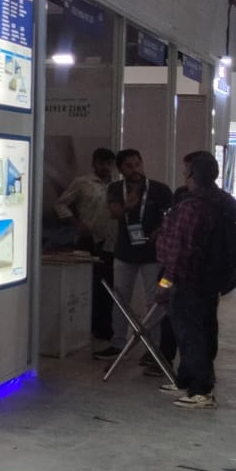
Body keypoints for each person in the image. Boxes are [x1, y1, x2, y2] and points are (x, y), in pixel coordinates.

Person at [153, 152, 236, 409]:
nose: (183, 173)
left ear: (192, 174)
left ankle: (201, 389)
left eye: (186, 169)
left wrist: (164, 284)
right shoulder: (224, 201)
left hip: (187, 280)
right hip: (210, 279)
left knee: (190, 334)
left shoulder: (191, 207)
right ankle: (187, 379)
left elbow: (180, 252)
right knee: (205, 329)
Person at [100, 149, 172, 361]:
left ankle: (153, 348)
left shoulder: (159, 189)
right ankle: (118, 343)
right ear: (120, 169)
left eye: (137, 164)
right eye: (129, 166)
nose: (135, 170)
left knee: (154, 301)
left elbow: (172, 216)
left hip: (153, 254)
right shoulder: (115, 188)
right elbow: (114, 212)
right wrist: (127, 207)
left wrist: (161, 229)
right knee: (120, 298)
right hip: (124, 252)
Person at [54, 148, 117, 345]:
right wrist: (76, 223)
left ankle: (105, 329)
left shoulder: (117, 185)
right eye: (101, 163)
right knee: (89, 285)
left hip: (111, 241)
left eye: (109, 163)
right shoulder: (82, 182)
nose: (105, 167)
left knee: (108, 286)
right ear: (94, 163)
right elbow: (60, 204)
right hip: (88, 240)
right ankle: (84, 329)